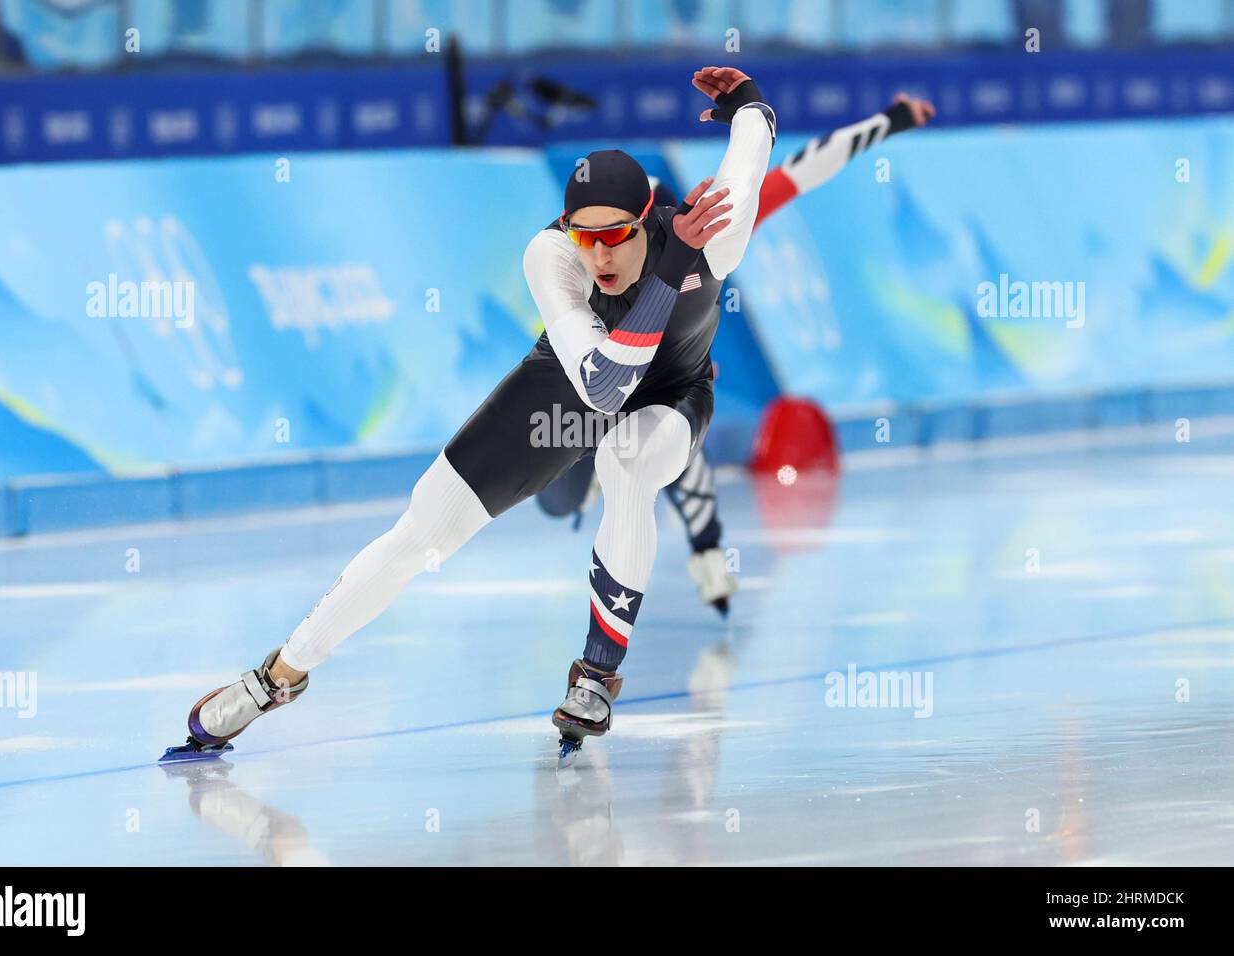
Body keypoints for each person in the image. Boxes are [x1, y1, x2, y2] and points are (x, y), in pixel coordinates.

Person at [163, 66, 777, 766]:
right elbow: (603, 387)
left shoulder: (711, 234)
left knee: (627, 460)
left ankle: (597, 672)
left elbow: (751, 150)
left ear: (649, 221)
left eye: (616, 237)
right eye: (585, 237)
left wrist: (747, 103)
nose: (599, 255)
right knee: (424, 527)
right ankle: (278, 674)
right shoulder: (551, 257)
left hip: (670, 397)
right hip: (577, 390)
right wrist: (664, 277)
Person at [534, 92, 937, 616]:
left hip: (658, 385)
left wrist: (892, 119)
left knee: (673, 428)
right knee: (558, 496)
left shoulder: (711, 232)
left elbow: (805, 168)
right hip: (592, 388)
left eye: (631, 237)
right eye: (598, 239)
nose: (611, 254)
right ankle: (602, 483)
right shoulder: (574, 254)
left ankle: (706, 549)